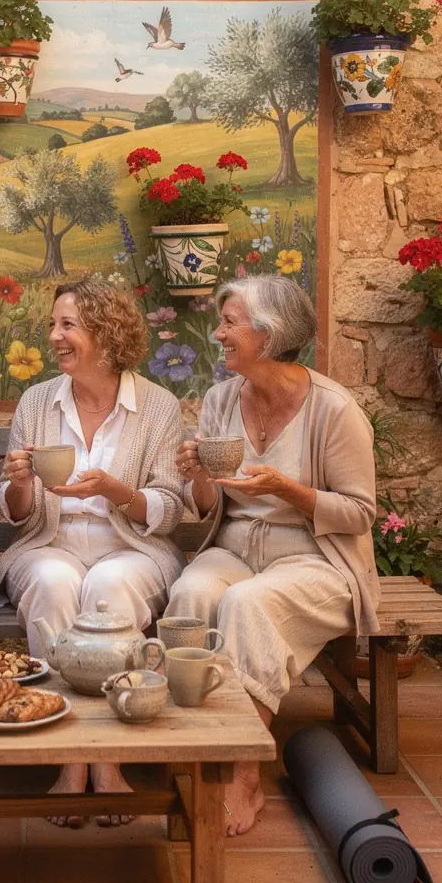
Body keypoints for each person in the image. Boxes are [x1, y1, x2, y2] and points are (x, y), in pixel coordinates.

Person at [167, 275, 379, 836]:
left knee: (248, 604)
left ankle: (243, 770)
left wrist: (289, 490)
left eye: (230, 323)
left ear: (269, 333)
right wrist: (198, 475)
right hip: (235, 546)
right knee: (190, 593)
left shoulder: (334, 410)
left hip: (315, 558)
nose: (218, 334)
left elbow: (359, 513)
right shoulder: (219, 400)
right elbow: (206, 502)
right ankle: (191, 746)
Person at [0, 278, 185, 828]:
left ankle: (107, 757)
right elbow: (15, 512)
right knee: (54, 583)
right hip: (47, 541)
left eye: (68, 325)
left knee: (108, 588)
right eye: (53, 324)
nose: (55, 335)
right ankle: (67, 755)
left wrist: (116, 491)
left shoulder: (157, 406)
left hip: (132, 546)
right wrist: (19, 482)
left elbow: (171, 507)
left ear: (106, 333)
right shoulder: (38, 401)